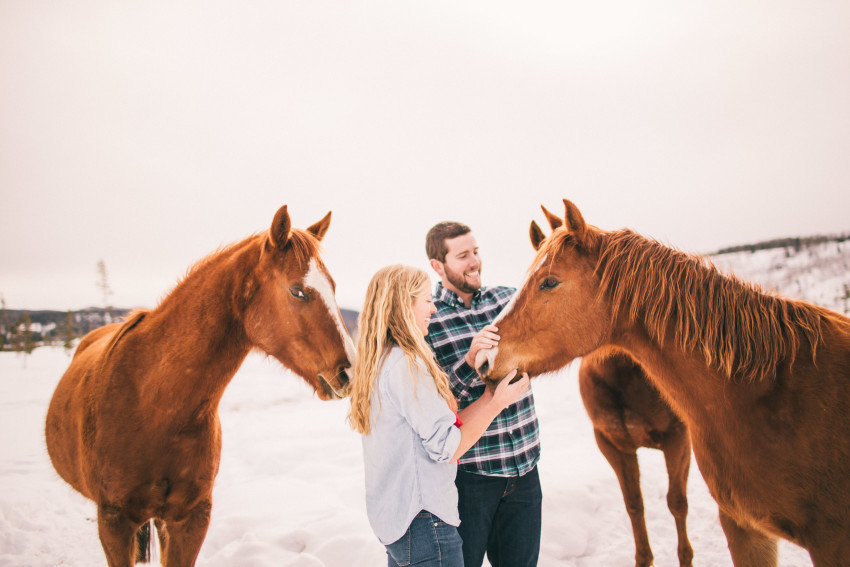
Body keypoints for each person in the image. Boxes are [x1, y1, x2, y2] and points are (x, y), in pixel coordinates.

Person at [348, 264, 530, 567]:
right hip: (424, 523)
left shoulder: (381, 362)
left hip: (398, 523)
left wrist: (490, 398)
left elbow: (446, 430)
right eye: (427, 300)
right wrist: (498, 405)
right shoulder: (407, 365)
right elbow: (448, 446)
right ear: (406, 304)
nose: (433, 308)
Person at [425, 222, 542, 567]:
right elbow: (435, 403)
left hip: (525, 471)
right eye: (462, 256)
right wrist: (469, 362)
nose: (474, 261)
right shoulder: (428, 319)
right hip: (471, 481)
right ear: (437, 265)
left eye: (475, 251)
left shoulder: (511, 300)